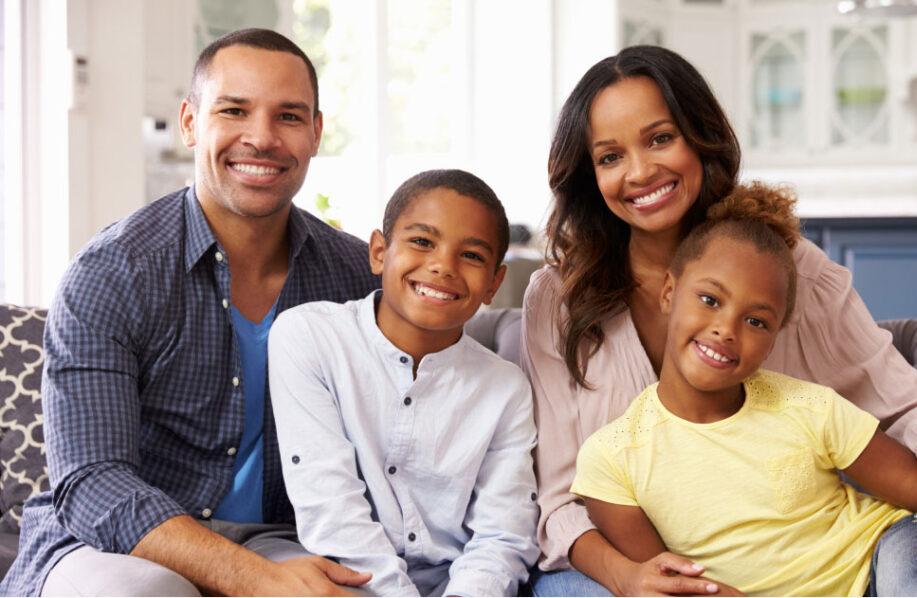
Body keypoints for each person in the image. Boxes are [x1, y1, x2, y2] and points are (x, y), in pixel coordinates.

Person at [521, 45, 917, 597]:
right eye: (610, 156)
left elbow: (907, 408)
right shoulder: (559, 299)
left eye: (661, 138)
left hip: (826, 558)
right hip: (635, 568)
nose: (639, 171)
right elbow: (562, 501)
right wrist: (634, 579)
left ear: (700, 138)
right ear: (590, 174)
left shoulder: (789, 265)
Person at [0, 28, 380, 596]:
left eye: (289, 117)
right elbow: (92, 481)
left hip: (284, 537)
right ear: (190, 123)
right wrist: (250, 577)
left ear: (316, 133)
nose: (262, 137)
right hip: (114, 544)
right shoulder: (112, 272)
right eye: (234, 110)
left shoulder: (356, 277)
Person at [572, 182, 917, 596]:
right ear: (670, 292)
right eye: (710, 299)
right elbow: (667, 581)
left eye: (756, 321)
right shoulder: (611, 459)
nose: (726, 330)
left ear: (774, 337)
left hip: (874, 560)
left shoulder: (811, 408)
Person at [267, 169, 541, 596]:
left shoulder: (506, 388)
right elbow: (331, 507)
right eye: (422, 242)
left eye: (471, 255)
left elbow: (503, 533)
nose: (442, 266)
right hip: (347, 579)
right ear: (379, 252)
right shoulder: (308, 337)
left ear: (494, 284)